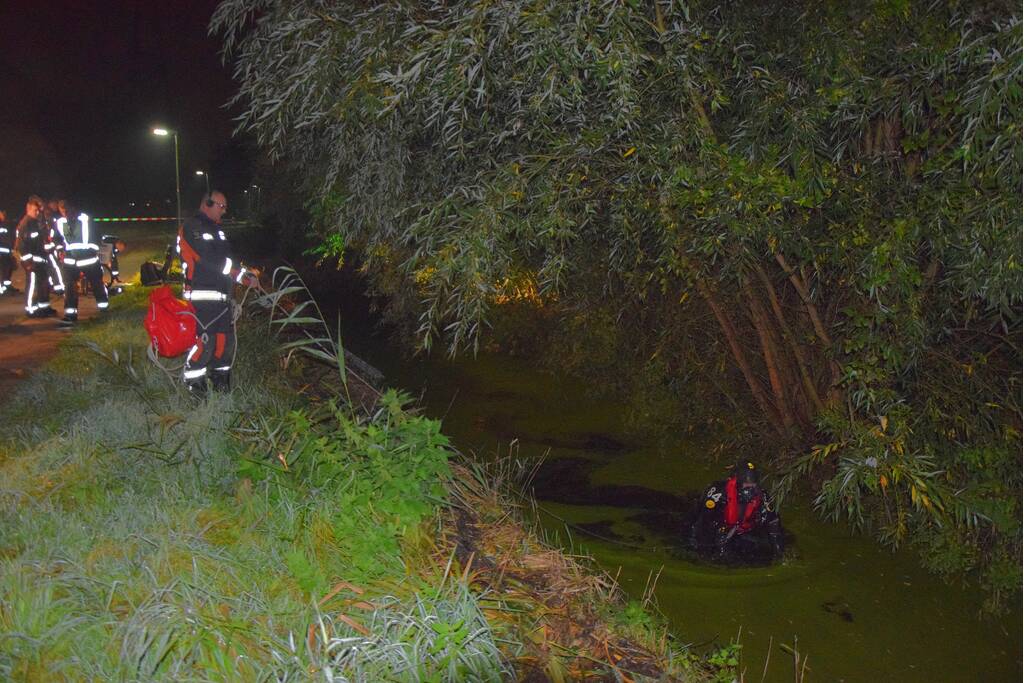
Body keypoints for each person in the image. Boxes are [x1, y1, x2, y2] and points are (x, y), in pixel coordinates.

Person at [177, 190, 257, 397]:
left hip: (223, 296)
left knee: (225, 343)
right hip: (203, 295)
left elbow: (228, 258)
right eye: (221, 206)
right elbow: (210, 261)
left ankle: (221, 383)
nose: (224, 210)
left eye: (225, 207)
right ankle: (194, 383)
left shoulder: (217, 230)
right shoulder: (192, 227)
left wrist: (244, 274)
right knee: (206, 343)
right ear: (207, 204)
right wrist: (239, 275)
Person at [690, 461, 785, 561]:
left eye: (753, 485)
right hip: (717, 530)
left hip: (741, 532)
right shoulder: (719, 492)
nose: (750, 489)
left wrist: (779, 551)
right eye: (747, 484)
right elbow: (703, 518)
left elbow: (773, 524)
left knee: (762, 551)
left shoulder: (762, 496)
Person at [60, 207, 108, 325]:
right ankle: (70, 314)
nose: (65, 213)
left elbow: (97, 237)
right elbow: (57, 239)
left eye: (67, 209)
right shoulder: (60, 222)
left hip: (88, 259)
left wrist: (93, 251)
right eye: (63, 210)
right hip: (70, 261)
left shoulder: (87, 220)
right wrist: (60, 250)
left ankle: (104, 309)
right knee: (70, 287)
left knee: (96, 284)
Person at [16, 196, 56, 317]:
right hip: (32, 262)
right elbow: (21, 245)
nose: (37, 212)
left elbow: (40, 242)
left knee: (43, 285)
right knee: (32, 286)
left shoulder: (36, 223)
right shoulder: (25, 224)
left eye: (38, 210)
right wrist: (28, 262)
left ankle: (44, 307)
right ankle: (30, 310)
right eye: (35, 210)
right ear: (28, 209)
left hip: (40, 260)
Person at [42, 199, 66, 296]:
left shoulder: (51, 217)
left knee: (52, 269)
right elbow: (49, 234)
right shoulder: (47, 218)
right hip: (49, 249)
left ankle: (54, 286)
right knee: (55, 268)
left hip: (50, 248)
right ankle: (58, 287)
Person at [0, 210, 17, 295]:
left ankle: (7, 286)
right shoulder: (3, 225)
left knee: (8, 269)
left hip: (7, 250)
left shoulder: (7, 224)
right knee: (4, 270)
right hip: (2, 251)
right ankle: (3, 288)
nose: (4, 215)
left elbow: (9, 237)